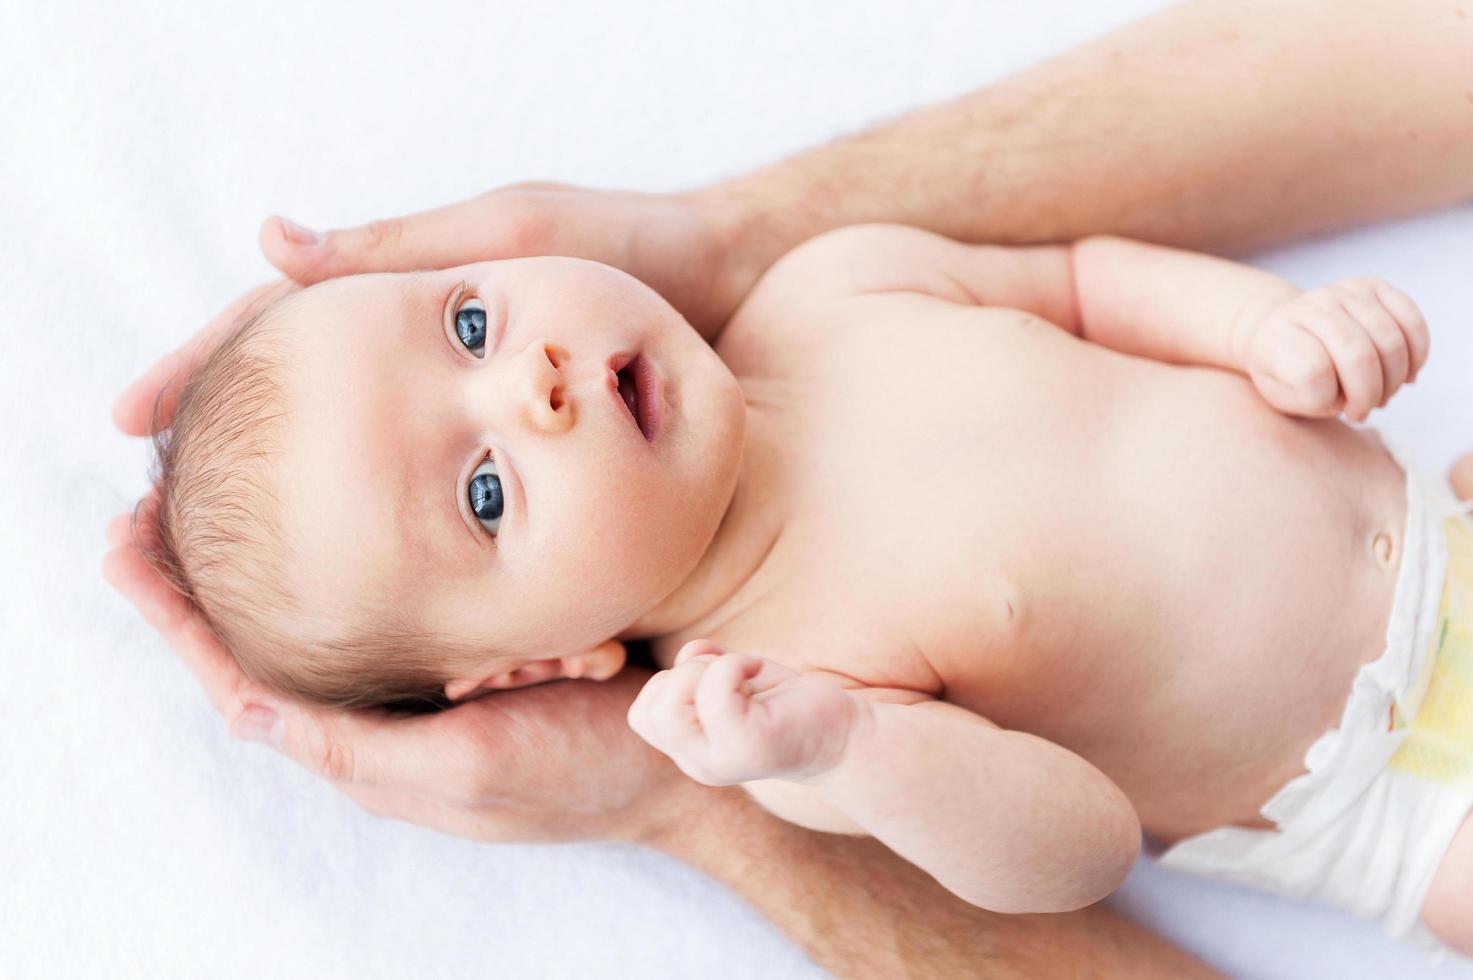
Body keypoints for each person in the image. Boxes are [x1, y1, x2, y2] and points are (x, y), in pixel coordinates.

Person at [105, 0, 1473, 973]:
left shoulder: (830, 288)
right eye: (485, 495)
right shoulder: (776, 697)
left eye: (468, 326)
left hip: (1438, 512)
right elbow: (1078, 851)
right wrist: (856, 751)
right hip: (1398, 794)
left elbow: (1076, 279)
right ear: (543, 665)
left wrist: (1254, 332)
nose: (534, 386)